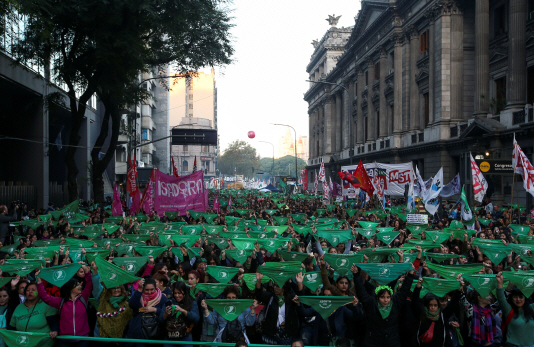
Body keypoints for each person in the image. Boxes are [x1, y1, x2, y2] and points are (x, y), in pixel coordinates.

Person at [351, 264, 416, 347]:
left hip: (392, 342)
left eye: (388, 297)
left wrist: (410, 274)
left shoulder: (395, 302)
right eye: (382, 297)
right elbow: (361, 291)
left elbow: (404, 290)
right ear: (377, 297)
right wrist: (356, 274)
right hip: (373, 342)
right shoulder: (371, 303)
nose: (386, 300)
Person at [36, 264, 93, 347]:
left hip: (82, 338)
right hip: (65, 340)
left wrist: (86, 271)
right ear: (70, 288)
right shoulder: (60, 301)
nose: (80, 286)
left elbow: (89, 285)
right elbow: (45, 297)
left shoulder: (83, 298)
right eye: (77, 285)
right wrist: (39, 282)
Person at [8, 282, 58, 347]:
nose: (30, 292)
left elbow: (54, 323)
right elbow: (12, 327)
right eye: (28, 290)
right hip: (24, 344)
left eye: (33, 290)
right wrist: (4, 329)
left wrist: (55, 331)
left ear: (39, 291)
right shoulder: (19, 307)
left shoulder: (46, 305)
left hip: (43, 344)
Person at [91, 261, 133, 338]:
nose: (116, 290)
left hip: (121, 338)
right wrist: (95, 271)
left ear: (122, 289)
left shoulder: (126, 302)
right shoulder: (102, 297)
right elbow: (96, 286)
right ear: (109, 290)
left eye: (118, 288)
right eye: (113, 288)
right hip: (103, 337)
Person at [126, 277, 168, 345]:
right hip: (139, 331)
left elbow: (166, 312)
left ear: (155, 287)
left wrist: (155, 309)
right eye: (146, 290)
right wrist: (139, 289)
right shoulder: (139, 295)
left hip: (155, 332)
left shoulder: (162, 298)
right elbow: (132, 305)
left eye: (152, 289)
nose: (149, 292)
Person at [496, 272, 534, 347]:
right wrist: (500, 282)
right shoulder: (509, 310)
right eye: (515, 297)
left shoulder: (531, 308)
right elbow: (501, 298)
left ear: (525, 298)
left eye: (521, 297)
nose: (518, 299)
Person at [161, 281, 200, 347]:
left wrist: (183, 311)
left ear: (184, 292)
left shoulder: (191, 302)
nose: (177, 295)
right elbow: (160, 320)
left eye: (179, 293)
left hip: (185, 337)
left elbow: (196, 318)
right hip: (169, 337)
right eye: (175, 293)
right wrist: (166, 314)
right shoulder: (168, 302)